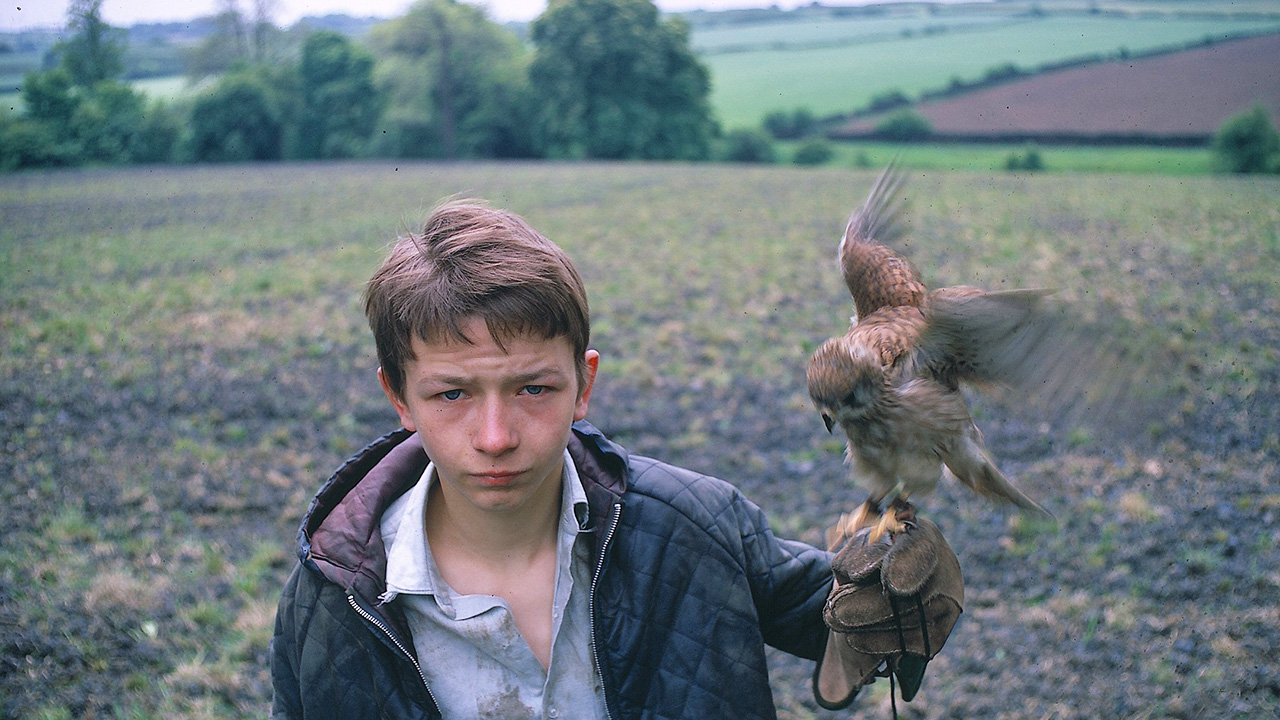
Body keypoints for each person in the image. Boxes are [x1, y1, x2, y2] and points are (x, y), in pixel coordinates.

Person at [270, 199, 874, 719]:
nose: (496, 436)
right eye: (451, 394)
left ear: (584, 384)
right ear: (398, 396)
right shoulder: (331, 597)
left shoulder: (698, 526)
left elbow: (851, 611)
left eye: (533, 389)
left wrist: (898, 578)